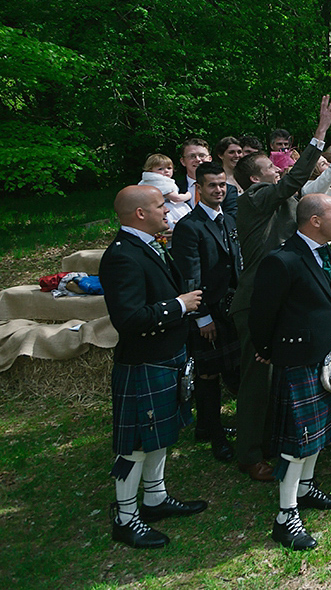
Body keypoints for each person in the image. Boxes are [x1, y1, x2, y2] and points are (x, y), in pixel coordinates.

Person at [229, 96, 331, 482]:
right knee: (256, 382)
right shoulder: (253, 200)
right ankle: (249, 454)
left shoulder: (281, 201)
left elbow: (299, 188)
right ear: (256, 179)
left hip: (283, 301)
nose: (281, 172)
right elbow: (293, 180)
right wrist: (320, 134)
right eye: (272, 169)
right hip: (256, 303)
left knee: (281, 378)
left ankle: (277, 442)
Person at [100, 186, 207, 548]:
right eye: (161, 205)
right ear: (140, 214)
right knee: (135, 446)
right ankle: (126, 517)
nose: (169, 209)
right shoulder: (121, 256)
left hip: (165, 355)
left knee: (157, 437)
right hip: (144, 360)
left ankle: (155, 498)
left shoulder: (148, 243)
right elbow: (128, 318)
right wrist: (179, 305)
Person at [250, 194, 331, 550]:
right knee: (298, 443)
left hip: (325, 357)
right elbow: (261, 314)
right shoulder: (283, 260)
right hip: (299, 359)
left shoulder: (323, 252)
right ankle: (285, 516)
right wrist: (268, 351)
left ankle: (306, 490)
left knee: (317, 437)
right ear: (314, 221)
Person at [171, 161, 243, 463]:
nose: (218, 190)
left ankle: (208, 426)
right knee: (208, 376)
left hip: (230, 310)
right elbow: (189, 276)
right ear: (198, 189)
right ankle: (214, 435)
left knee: (231, 370)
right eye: (212, 185)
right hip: (207, 314)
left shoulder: (228, 220)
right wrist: (202, 317)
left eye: (222, 184)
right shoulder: (189, 227)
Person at [139, 153, 192, 229]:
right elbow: (176, 198)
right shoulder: (161, 182)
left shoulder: (145, 181)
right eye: (160, 169)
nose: (166, 171)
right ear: (150, 170)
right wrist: (188, 195)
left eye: (169, 168)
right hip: (166, 209)